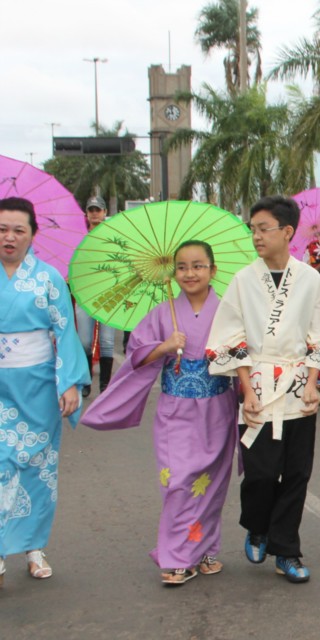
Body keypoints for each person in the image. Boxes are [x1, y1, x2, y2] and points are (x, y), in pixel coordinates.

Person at [82, 241, 238, 585]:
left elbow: (243, 355)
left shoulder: (228, 310)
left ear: (213, 270)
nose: (189, 273)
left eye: (198, 266)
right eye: (182, 267)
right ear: (173, 273)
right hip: (175, 411)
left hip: (217, 409)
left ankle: (207, 546)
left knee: (211, 482)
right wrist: (164, 347)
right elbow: (136, 354)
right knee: (178, 481)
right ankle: (177, 556)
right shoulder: (162, 312)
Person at [205, 195, 320, 583]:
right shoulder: (243, 280)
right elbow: (230, 334)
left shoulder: (309, 278)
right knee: (258, 473)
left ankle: (286, 551)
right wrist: (246, 388)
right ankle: (257, 525)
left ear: (287, 232)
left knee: (296, 474)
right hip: (257, 386)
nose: (256, 236)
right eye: (252, 228)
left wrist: (311, 382)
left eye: (263, 228)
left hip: (297, 389)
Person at [0, 197, 89, 586]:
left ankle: (34, 548)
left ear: (33, 234)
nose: (9, 237)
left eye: (18, 229)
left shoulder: (50, 277)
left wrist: (68, 381)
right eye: (2, 229)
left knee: (38, 468)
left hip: (37, 387)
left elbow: (65, 332)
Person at [74, 195, 116, 396]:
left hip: (109, 295)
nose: (94, 213)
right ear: (86, 213)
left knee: (107, 341)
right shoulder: (78, 237)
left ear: (105, 212)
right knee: (84, 341)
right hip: (85, 295)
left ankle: (105, 386)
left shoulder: (113, 237)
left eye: (98, 210)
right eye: (91, 210)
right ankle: (86, 381)